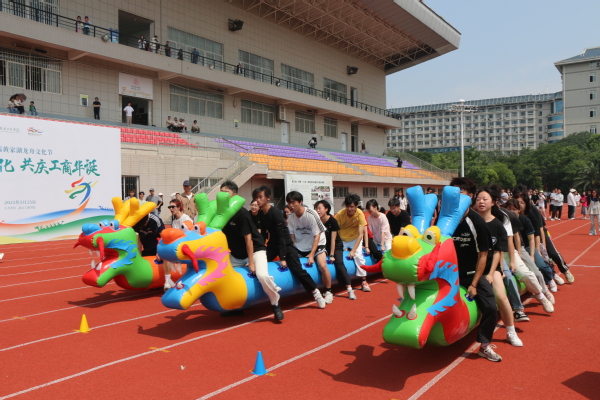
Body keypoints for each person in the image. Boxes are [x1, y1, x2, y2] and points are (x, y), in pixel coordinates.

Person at [449, 177, 502, 362]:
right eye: (452, 193)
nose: (455, 196)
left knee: (491, 307)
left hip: (471, 274)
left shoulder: (477, 222)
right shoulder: (445, 218)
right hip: (448, 273)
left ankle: (484, 346)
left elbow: (483, 256)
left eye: (460, 193)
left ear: (470, 196)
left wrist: (473, 284)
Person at [253, 186, 326, 308]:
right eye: (256, 198)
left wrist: (283, 258)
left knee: (297, 270)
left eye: (260, 197)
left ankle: (316, 293)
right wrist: (260, 251)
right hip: (272, 245)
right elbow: (264, 234)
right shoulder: (261, 213)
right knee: (259, 265)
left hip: (286, 245)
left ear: (268, 198)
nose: (258, 200)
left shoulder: (276, 213)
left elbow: (282, 237)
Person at [220, 181, 283, 320]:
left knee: (262, 275)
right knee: (225, 278)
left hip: (255, 250)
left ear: (234, 195)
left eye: (226, 192)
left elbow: (249, 240)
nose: (222, 195)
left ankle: (275, 303)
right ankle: (236, 307)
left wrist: (251, 262)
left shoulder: (242, 213)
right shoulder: (221, 213)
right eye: (221, 192)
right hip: (236, 254)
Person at [473, 187, 523, 347]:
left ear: (493, 202)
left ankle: (511, 331)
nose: (481, 202)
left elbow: (498, 252)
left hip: (491, 267)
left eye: (485, 199)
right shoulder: (470, 221)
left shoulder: (497, 225)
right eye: (478, 199)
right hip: (472, 267)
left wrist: (492, 272)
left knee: (501, 296)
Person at [501, 200, 554, 317]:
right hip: (496, 254)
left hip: (514, 250)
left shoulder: (508, 217)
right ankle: (518, 308)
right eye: (509, 208)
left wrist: (518, 256)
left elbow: (517, 239)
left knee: (532, 273)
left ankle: (542, 294)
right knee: (509, 279)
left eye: (514, 209)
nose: (511, 211)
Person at [286, 191, 333, 304]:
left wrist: (311, 255)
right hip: (300, 245)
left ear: (300, 202)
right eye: (289, 203)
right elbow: (291, 237)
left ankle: (328, 291)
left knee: (322, 265)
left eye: (293, 202)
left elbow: (317, 235)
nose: (291, 205)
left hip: (317, 242)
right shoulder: (290, 218)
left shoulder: (311, 214)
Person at [314, 200, 357, 300]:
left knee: (339, 263)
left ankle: (350, 290)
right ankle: (327, 290)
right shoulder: (316, 221)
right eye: (316, 208)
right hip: (323, 246)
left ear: (326, 209)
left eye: (319, 208)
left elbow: (333, 239)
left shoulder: (332, 221)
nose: (317, 210)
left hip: (336, 246)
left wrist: (332, 255)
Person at [335, 193, 371, 292]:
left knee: (358, 256)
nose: (349, 209)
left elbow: (360, 234)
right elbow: (335, 230)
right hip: (342, 239)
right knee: (337, 258)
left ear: (356, 206)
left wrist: (353, 251)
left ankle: (364, 281)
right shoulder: (340, 214)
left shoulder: (360, 214)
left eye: (352, 206)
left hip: (355, 238)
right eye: (348, 206)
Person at [166, 199, 193, 290]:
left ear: (179, 207)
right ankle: (167, 280)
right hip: (178, 247)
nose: (171, 209)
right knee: (165, 254)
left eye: (173, 207)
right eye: (169, 207)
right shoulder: (174, 221)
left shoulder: (186, 219)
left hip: (187, 247)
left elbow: (189, 236)